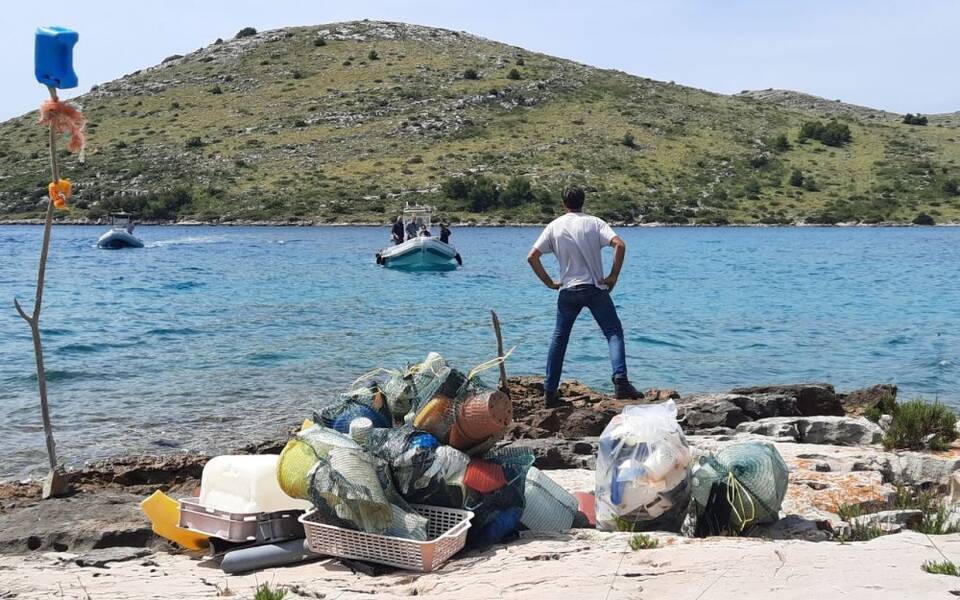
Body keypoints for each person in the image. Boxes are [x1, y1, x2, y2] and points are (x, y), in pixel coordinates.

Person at [527, 186, 641, 407]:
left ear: (564, 204)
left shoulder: (554, 226)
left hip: (567, 291)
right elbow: (619, 245)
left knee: (559, 339)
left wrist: (549, 282)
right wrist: (613, 276)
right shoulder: (595, 223)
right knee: (613, 332)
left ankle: (549, 392)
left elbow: (532, 257)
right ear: (583, 201)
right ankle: (620, 382)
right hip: (594, 288)